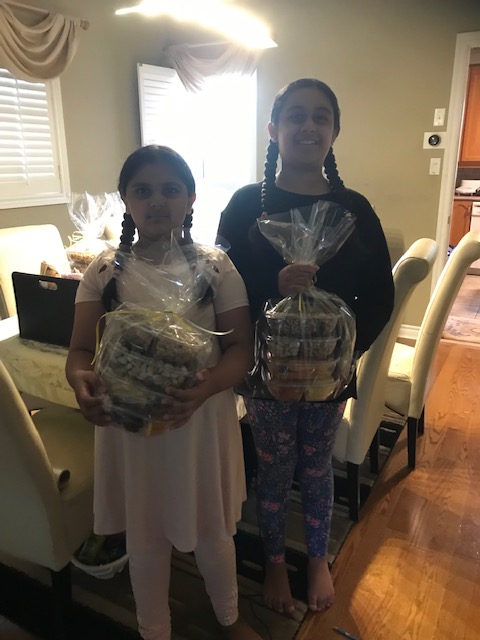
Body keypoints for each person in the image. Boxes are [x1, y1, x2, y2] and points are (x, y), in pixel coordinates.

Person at [66, 145, 262, 640]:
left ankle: (229, 616)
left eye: (170, 190)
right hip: (131, 431)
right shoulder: (104, 271)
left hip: (200, 423)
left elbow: (241, 350)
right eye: (143, 190)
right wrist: (80, 380)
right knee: (145, 535)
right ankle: (154, 628)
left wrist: (205, 388)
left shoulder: (216, 268)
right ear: (126, 200)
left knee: (213, 531)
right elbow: (80, 351)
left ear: (191, 199)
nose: (157, 201)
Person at [217, 78, 394, 616]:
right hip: (266, 374)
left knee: (316, 466)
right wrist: (274, 284)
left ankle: (317, 557)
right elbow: (220, 285)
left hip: (328, 376)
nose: (308, 126)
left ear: (335, 131)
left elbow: (379, 294)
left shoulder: (354, 209)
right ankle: (275, 562)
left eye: (321, 116)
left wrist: (343, 354)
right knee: (273, 468)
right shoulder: (245, 204)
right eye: (296, 115)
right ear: (274, 129)